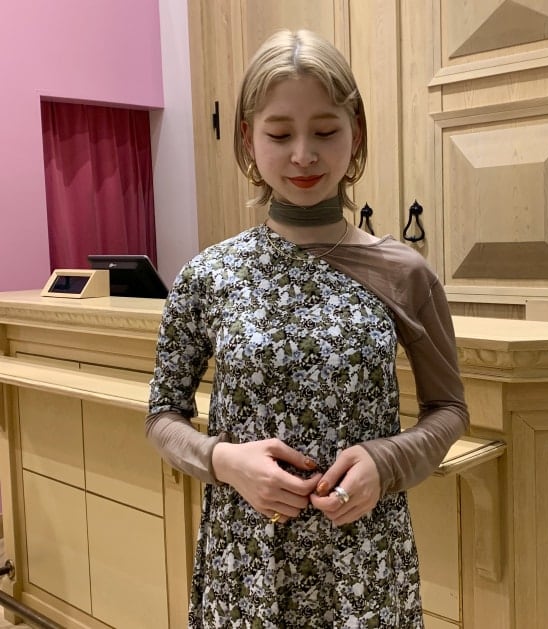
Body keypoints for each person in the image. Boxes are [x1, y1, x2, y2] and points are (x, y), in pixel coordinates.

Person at [146, 29, 469, 629]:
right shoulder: (209, 275)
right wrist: (225, 461)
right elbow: (162, 415)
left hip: (365, 558)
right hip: (245, 559)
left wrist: (387, 461)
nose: (303, 155)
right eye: (279, 134)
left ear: (356, 133)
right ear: (248, 137)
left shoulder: (404, 273)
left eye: (325, 132)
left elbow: (449, 408)